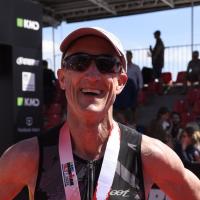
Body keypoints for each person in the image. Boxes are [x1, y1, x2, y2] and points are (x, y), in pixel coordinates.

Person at [0, 27, 200, 200]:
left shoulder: (150, 156)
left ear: (121, 82)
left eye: (106, 64)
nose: (93, 75)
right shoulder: (27, 157)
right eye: (79, 62)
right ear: (62, 78)